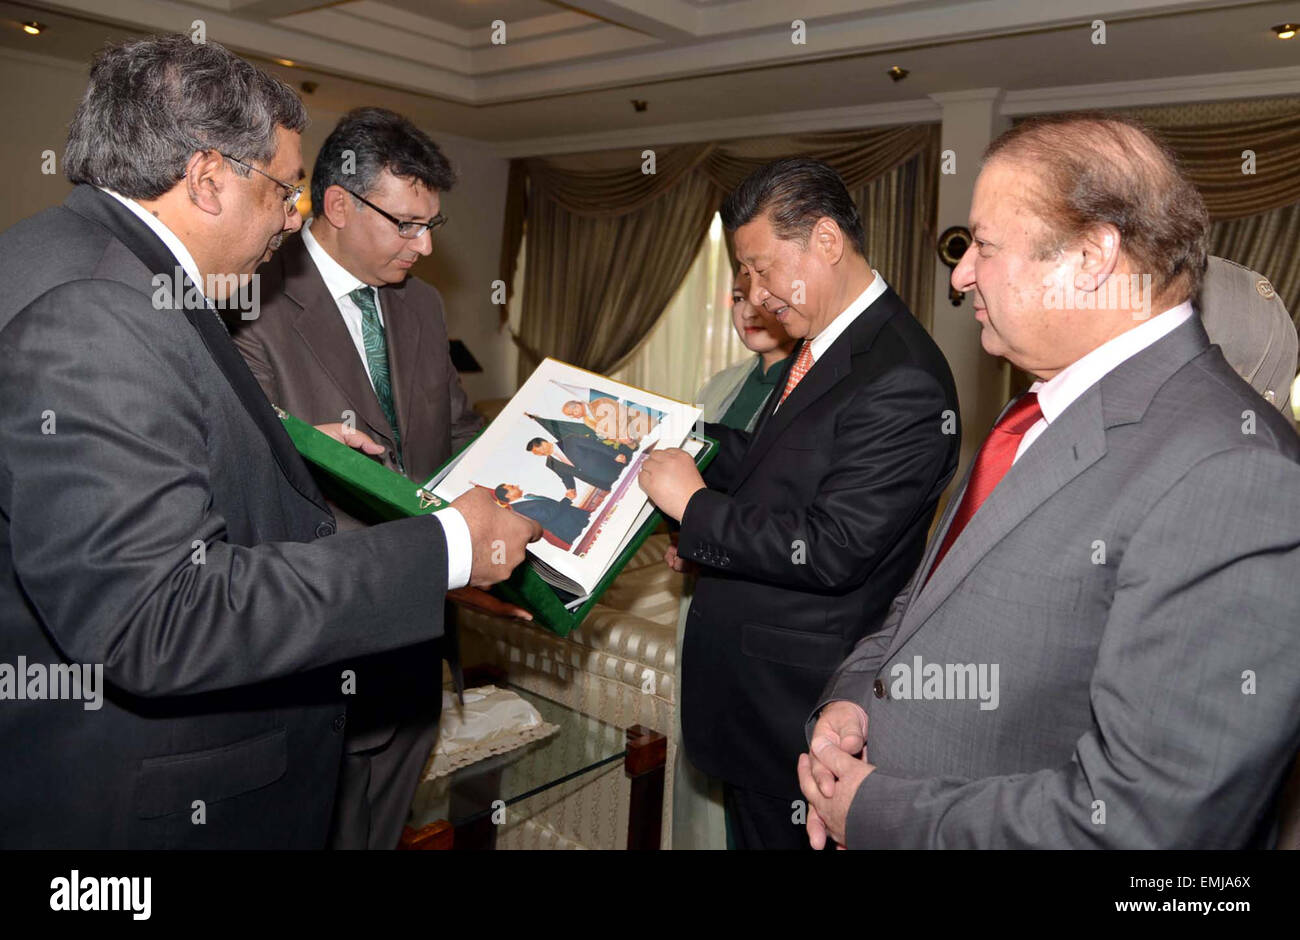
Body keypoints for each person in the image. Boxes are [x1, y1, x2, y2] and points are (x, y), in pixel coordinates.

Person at [0, 34, 539, 849]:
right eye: (286, 192)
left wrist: (282, 440)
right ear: (209, 179)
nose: (293, 220)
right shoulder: (99, 310)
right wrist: (447, 550)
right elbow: (159, 617)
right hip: (146, 801)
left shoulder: (54, 256)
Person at [799, 114, 1300, 849]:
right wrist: (853, 704)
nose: (961, 272)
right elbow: (925, 600)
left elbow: (1145, 824)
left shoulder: (1239, 471)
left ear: (1094, 256)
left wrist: (877, 813)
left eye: (983, 246)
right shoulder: (1037, 406)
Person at [639, 158, 960, 849]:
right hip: (756, 702)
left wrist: (695, 510)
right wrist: (679, 438)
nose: (752, 296)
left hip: (803, 705)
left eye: (759, 269)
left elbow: (834, 547)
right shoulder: (822, 347)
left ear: (825, 241)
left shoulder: (901, 374)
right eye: (743, 276)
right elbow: (770, 470)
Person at [230, 107, 519, 849]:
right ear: (336, 205)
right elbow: (252, 487)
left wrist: (536, 471)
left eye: (433, 224)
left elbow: (455, 438)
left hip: (419, 639)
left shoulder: (421, 306)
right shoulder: (248, 301)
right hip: (321, 641)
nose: (425, 246)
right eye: (406, 224)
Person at [668, 268, 795, 849]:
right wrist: (681, 537)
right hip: (701, 589)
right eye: (738, 298)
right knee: (703, 746)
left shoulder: (806, 387)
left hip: (760, 597)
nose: (747, 310)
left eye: (760, 299)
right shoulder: (719, 385)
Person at [527, 434, 633, 493]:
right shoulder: (550, 464)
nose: (540, 454)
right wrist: (570, 489)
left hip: (611, 467)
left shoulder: (570, 440)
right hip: (600, 482)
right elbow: (565, 477)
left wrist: (615, 454)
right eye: (537, 454)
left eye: (538, 450)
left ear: (544, 442)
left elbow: (596, 445)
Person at [494, 484, 591, 546]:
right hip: (572, 527)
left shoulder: (528, 496)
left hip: (577, 518)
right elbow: (547, 515)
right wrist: (567, 499)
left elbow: (552, 505)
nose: (516, 485)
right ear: (508, 496)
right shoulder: (518, 510)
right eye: (512, 487)